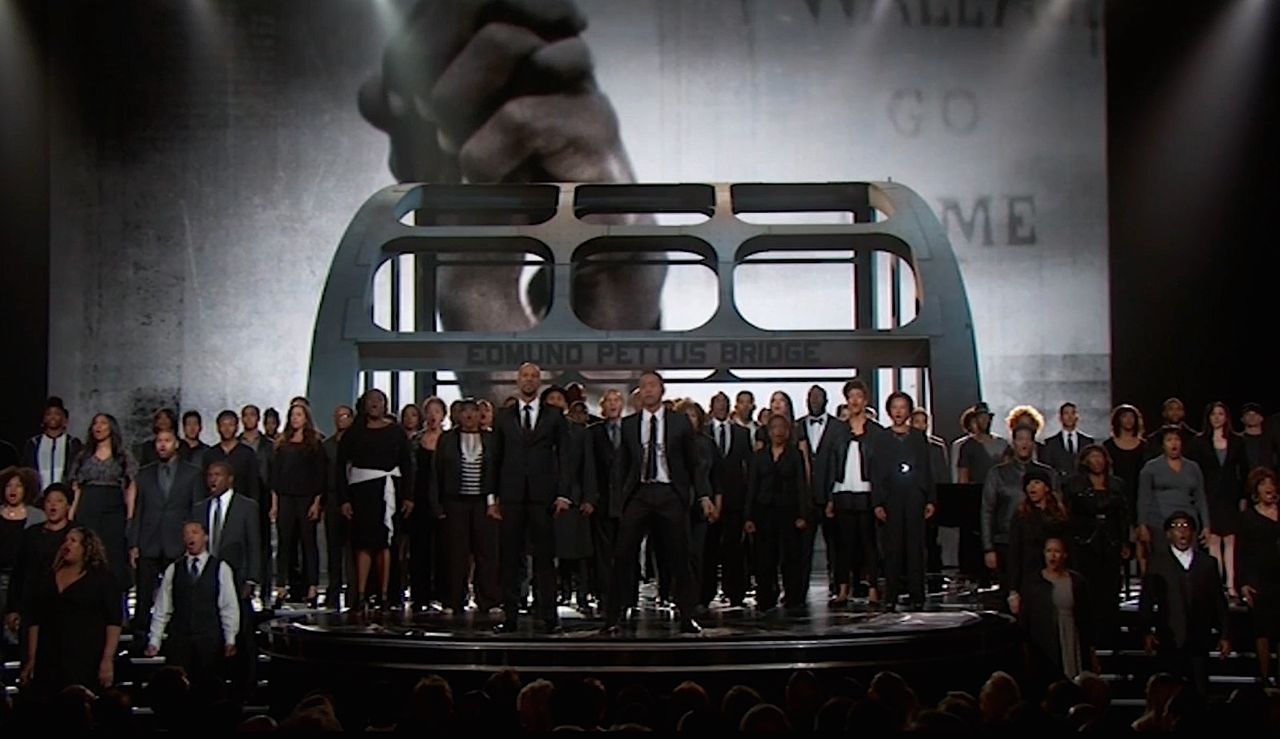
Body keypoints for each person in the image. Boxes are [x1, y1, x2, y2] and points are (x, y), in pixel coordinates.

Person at [602, 371, 713, 635]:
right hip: (639, 494)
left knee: (680, 557)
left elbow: (693, 463)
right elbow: (621, 467)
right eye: (643, 387)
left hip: (669, 494)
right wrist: (619, 502)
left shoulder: (680, 423)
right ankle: (612, 617)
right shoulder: (629, 424)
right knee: (622, 556)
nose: (648, 391)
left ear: (662, 390)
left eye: (652, 386)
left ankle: (687, 616)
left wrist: (703, 495)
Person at [492, 363, 573, 634]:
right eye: (524, 376)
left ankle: (549, 617)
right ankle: (510, 617)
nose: (528, 380)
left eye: (533, 377)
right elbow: (495, 458)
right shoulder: (503, 416)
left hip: (543, 497)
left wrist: (563, 494)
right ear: (517, 380)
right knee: (510, 558)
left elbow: (565, 456)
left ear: (539, 382)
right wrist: (492, 498)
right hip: (511, 496)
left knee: (544, 559)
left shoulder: (554, 415)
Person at [335, 389, 415, 609]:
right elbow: (340, 467)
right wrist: (344, 500)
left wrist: (408, 496)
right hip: (362, 494)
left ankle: (384, 593)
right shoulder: (353, 433)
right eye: (371, 400)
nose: (375, 404)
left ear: (385, 405)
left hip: (389, 492)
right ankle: (361, 594)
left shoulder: (396, 432)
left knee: (386, 544)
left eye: (380, 400)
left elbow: (407, 464)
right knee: (363, 544)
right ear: (364, 404)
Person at [18, 527, 122, 695]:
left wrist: (107, 659)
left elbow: (114, 622)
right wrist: (32, 659)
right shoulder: (47, 577)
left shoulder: (102, 579)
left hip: (85, 656)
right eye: (65, 540)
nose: (67, 545)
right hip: (49, 656)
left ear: (86, 547)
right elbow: (35, 620)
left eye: (73, 541)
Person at [1139, 510, 1230, 694]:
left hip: (1199, 639)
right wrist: (1146, 631)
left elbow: (1219, 601)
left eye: (1186, 526)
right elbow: (1146, 600)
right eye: (1177, 527)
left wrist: (1225, 634)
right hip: (1169, 639)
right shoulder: (1157, 563)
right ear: (1168, 534)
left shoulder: (1207, 563)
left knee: (1200, 689)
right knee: (1171, 692)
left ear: (1193, 533)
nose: (1182, 531)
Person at [127, 429, 202, 642]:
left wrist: (194, 542)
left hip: (177, 543)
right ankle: (141, 636)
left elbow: (195, 511)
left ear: (176, 444)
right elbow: (138, 511)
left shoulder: (192, 473)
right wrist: (134, 543)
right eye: (159, 441)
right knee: (144, 595)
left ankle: (178, 637)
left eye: (167, 441)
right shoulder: (145, 473)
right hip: (149, 541)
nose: (162, 445)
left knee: (179, 593)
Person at [192, 461, 260, 691]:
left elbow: (254, 545)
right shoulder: (200, 508)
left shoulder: (247, 507)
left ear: (230, 479)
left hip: (238, 579)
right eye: (210, 475)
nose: (212, 479)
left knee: (243, 633)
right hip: (209, 581)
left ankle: (247, 683)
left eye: (218, 475)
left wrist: (252, 578)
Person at [144, 521, 239, 686]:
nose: (190, 536)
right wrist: (155, 640)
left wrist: (230, 638)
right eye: (186, 533)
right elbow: (163, 607)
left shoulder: (221, 568)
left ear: (206, 537)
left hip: (209, 642)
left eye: (194, 532)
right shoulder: (174, 569)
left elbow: (228, 606)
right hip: (180, 642)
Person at [429, 398, 500, 614]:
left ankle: (487, 599)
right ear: (458, 416)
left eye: (474, 411)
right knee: (456, 553)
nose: (469, 416)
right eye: (465, 411)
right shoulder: (447, 440)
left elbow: (497, 472)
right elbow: (436, 474)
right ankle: (454, 600)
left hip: (483, 503)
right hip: (455, 502)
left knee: (486, 552)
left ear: (481, 415)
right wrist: (437, 505)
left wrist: (496, 502)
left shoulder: (492, 439)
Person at [821, 379, 882, 607]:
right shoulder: (837, 430)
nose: (854, 400)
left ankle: (874, 589)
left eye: (859, 396)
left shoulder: (876, 432)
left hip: (867, 492)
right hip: (842, 491)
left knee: (869, 543)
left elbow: (880, 467)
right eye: (851, 396)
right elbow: (829, 464)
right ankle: (843, 589)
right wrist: (828, 497)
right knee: (843, 544)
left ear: (865, 400)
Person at [874, 392, 936, 611]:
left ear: (909, 411)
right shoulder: (881, 437)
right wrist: (878, 502)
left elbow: (927, 469)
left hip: (915, 494)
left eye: (902, 407)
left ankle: (917, 594)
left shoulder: (918, 437)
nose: (899, 411)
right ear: (889, 410)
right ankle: (890, 595)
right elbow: (877, 471)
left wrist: (930, 498)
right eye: (895, 407)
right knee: (893, 546)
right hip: (891, 496)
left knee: (915, 546)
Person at [1062, 445, 1129, 648]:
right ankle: (1089, 638)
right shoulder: (1073, 484)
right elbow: (1068, 516)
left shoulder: (1117, 484)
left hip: (1110, 544)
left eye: (1100, 456)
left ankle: (1111, 637)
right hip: (1084, 545)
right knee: (1087, 591)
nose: (1097, 460)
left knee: (1109, 592)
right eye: (1093, 457)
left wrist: (1125, 542)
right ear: (1085, 461)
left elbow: (1123, 516)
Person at [745, 414, 811, 612]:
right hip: (764, 512)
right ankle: (766, 596)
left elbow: (801, 485)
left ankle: (793, 597)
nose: (778, 432)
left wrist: (803, 514)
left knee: (791, 557)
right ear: (768, 431)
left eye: (782, 428)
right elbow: (752, 487)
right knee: (765, 557)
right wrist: (748, 517)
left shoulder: (795, 455)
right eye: (774, 428)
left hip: (789, 511)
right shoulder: (759, 456)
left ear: (788, 431)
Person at [69, 413, 137, 594]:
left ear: (111, 427)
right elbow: (76, 487)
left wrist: (130, 517)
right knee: (87, 553)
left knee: (112, 555)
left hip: (113, 508)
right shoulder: (84, 455)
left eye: (103, 423)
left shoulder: (123, 455)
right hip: (88, 505)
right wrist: (71, 516)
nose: (98, 427)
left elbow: (131, 487)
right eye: (95, 423)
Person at [982, 424, 1055, 589]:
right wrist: (988, 548)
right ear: (1013, 442)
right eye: (1020, 439)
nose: (1024, 443)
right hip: (1006, 543)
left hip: (1040, 544)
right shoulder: (997, 473)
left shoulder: (1047, 473)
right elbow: (987, 511)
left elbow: (1056, 508)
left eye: (1028, 439)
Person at [269, 404, 326, 608]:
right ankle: (282, 587)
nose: (295, 418)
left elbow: (320, 476)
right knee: (284, 543)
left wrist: (317, 502)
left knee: (308, 543)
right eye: (292, 415)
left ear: (306, 418)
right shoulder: (281, 443)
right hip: (285, 498)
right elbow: (275, 477)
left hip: (306, 498)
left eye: (299, 415)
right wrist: (274, 504)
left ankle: (312, 587)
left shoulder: (315, 443)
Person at [1019, 536, 1098, 682]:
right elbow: (1026, 619)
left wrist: (1091, 651)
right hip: (1044, 643)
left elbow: (1087, 617)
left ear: (1065, 555)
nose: (1052, 555)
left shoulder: (1077, 582)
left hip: (1071, 637)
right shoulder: (1033, 582)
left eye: (1057, 551)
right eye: (1049, 551)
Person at [4, 484, 71, 650]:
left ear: (68, 505)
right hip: (32, 606)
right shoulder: (31, 534)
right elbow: (19, 572)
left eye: (59, 501)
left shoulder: (76, 535)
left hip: (65, 607)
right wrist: (13, 608)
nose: (53, 505)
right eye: (49, 501)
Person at [701, 391, 752, 608]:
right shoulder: (702, 433)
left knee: (734, 548)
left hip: (734, 499)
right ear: (711, 407)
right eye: (717, 403)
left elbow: (749, 466)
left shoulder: (741, 433)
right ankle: (705, 593)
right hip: (708, 498)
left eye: (724, 403)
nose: (721, 407)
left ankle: (735, 592)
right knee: (708, 548)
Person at [1193, 402, 1246, 595]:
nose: (1217, 417)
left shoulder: (1237, 441)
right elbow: (1196, 471)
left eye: (1221, 414)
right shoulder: (1200, 442)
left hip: (1230, 497)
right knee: (1213, 541)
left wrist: (1243, 497)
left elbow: (1244, 470)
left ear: (1226, 417)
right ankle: (1217, 585)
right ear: (1208, 418)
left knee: (1231, 540)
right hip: (1209, 496)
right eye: (1213, 414)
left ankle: (1232, 585)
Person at [583, 390, 626, 614]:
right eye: (608, 401)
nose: (612, 404)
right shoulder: (593, 433)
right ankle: (605, 596)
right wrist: (590, 497)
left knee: (625, 552)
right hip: (601, 501)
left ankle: (626, 596)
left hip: (627, 502)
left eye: (616, 400)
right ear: (602, 406)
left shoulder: (631, 430)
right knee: (602, 554)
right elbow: (588, 467)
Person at [1236, 467, 1280, 684]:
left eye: (1270, 483)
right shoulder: (1248, 517)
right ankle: (1264, 677)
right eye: (1263, 484)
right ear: (1255, 489)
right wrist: (1242, 583)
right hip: (1258, 581)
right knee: (1262, 630)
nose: (1268, 487)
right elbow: (1241, 552)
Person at [1137, 426, 1210, 557]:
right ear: (1163, 444)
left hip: (1188, 522)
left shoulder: (1193, 467)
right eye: (1169, 440)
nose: (1174, 443)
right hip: (1159, 523)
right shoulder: (1151, 467)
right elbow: (1143, 498)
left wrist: (1206, 525)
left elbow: (1201, 498)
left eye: (1177, 439)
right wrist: (1142, 525)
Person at [798, 385, 842, 602]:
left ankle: (836, 586)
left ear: (826, 400)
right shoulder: (797, 426)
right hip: (805, 498)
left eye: (818, 398)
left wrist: (833, 495)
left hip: (829, 496)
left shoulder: (838, 426)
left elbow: (840, 463)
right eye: (811, 398)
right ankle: (799, 589)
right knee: (802, 548)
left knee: (835, 545)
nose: (814, 401)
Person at [1006, 467, 1068, 615]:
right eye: (1028, 484)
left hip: (1056, 579)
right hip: (1029, 579)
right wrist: (1013, 590)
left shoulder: (1059, 516)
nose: (1031, 487)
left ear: (1047, 488)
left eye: (1036, 482)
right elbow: (1014, 553)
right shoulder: (1021, 516)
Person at [676, 399, 716, 613]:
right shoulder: (673, 442)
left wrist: (712, 498)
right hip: (677, 502)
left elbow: (715, 473)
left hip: (701, 503)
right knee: (679, 552)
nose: (690, 420)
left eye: (693, 415)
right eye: (686, 416)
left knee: (698, 553)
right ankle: (680, 596)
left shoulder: (707, 442)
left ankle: (698, 597)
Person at [409, 397, 447, 611]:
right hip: (419, 499)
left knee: (443, 549)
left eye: (437, 411)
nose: (433, 416)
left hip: (443, 500)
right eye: (429, 411)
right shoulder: (415, 440)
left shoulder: (449, 440)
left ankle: (442, 594)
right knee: (419, 549)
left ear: (444, 415)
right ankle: (420, 595)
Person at [1, 468, 45, 629]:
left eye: (18, 486)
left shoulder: (38, 516)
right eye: (9, 485)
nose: (13, 490)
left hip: (26, 581)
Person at [322, 404, 354, 607]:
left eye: (344, 416)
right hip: (332, 499)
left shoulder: (358, 443)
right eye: (337, 416)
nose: (340, 419)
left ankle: (353, 592)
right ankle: (333, 592)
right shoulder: (327, 445)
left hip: (354, 499)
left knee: (351, 549)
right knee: (333, 548)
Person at [24, 397, 82, 490]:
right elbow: (27, 471)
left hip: (65, 496)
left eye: (57, 414)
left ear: (64, 419)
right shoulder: (33, 443)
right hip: (38, 496)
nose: (53, 417)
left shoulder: (73, 443)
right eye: (49, 414)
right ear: (43, 418)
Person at [1042, 403, 1095, 483]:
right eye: (1066, 413)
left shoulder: (1088, 441)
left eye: (1073, 413)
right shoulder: (1050, 443)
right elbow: (1047, 468)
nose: (1070, 417)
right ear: (1060, 418)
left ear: (1077, 417)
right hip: (1060, 486)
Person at [957, 402, 1008, 485]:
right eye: (980, 417)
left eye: (986, 417)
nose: (984, 420)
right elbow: (963, 476)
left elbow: (1009, 472)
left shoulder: (1002, 443)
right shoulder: (968, 446)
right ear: (975, 420)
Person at [1240, 403, 1274, 473]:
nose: (1251, 417)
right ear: (1242, 419)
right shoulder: (1237, 440)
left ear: (1261, 418)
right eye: (1248, 414)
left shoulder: (1271, 440)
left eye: (1255, 414)